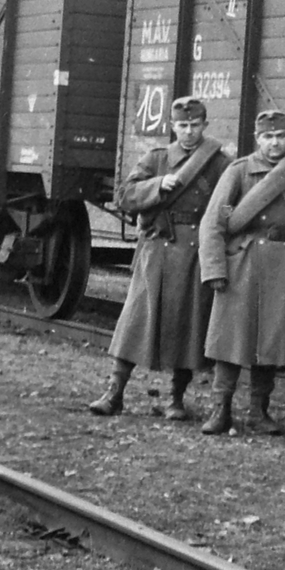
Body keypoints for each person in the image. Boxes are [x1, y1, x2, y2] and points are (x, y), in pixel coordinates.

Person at [90, 96, 230, 419]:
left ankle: (175, 399)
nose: (189, 131)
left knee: (187, 325)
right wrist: (157, 185)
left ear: (205, 125)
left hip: (195, 254)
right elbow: (124, 195)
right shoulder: (157, 159)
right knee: (135, 321)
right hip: (156, 250)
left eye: (195, 125)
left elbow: (228, 204)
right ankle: (114, 392)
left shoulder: (219, 163)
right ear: (172, 126)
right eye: (183, 125)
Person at [198, 110, 285, 436]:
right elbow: (214, 221)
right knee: (230, 339)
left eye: (281, 136)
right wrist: (215, 268)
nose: (275, 143)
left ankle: (258, 411)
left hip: (283, 265)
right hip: (242, 263)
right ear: (257, 139)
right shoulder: (239, 171)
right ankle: (220, 409)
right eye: (268, 137)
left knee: (272, 340)